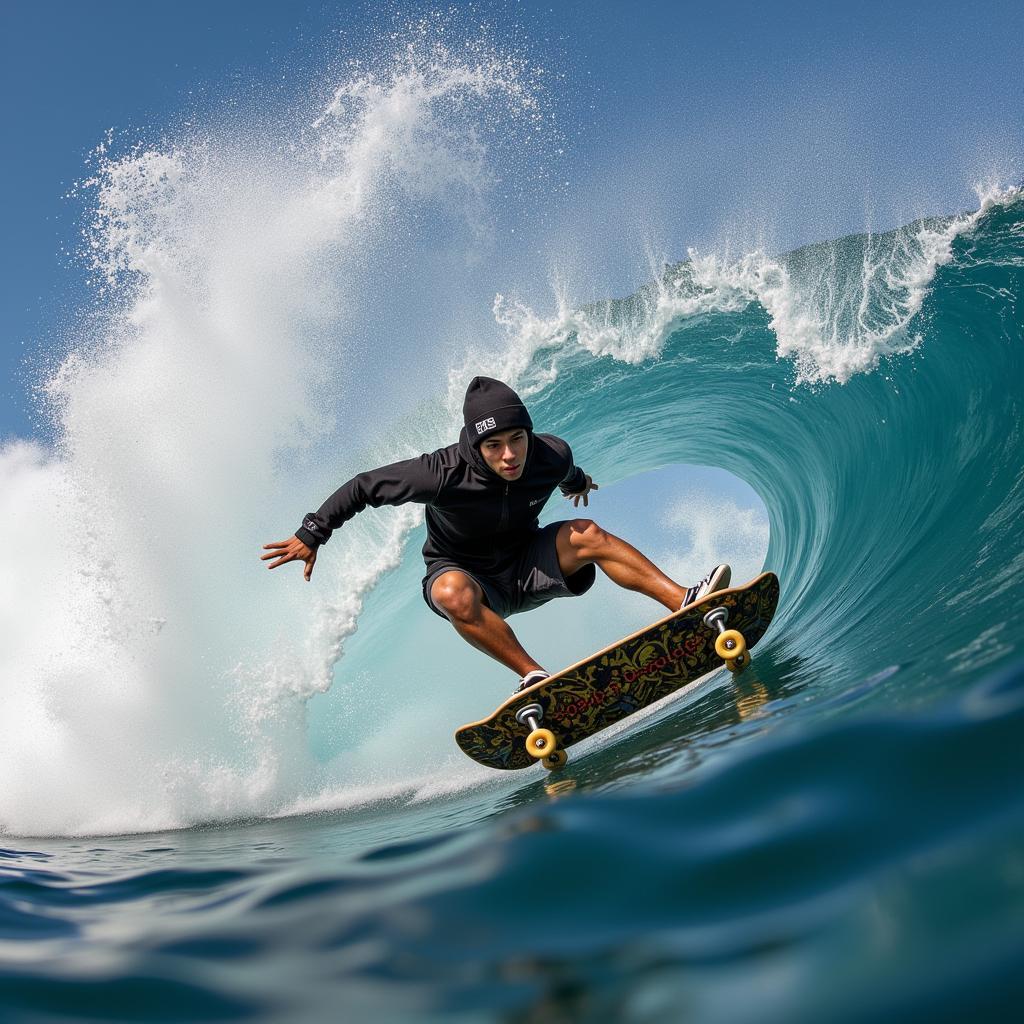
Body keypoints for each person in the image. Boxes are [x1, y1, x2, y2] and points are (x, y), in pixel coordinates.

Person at [262, 376, 731, 691]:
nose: (510, 455)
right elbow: (365, 486)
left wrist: (578, 484)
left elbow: (566, 471)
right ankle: (534, 678)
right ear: (475, 444)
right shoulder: (439, 473)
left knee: (586, 533)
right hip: (470, 579)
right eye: (494, 445)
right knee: (450, 591)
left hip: (528, 565)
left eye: (517, 440)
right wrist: (314, 532)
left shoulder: (549, 454)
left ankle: (685, 602)